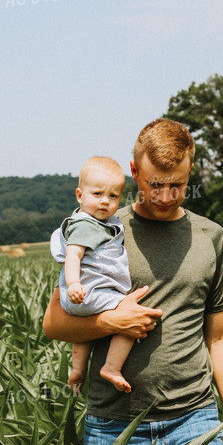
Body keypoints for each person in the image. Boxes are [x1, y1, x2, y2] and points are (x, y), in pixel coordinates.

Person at [43, 117, 223, 445]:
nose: (165, 195)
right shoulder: (103, 230)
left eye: (176, 184)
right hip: (113, 423)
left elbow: (221, 336)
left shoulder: (210, 236)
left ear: (190, 174)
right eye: (154, 183)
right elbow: (54, 322)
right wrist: (110, 320)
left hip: (193, 419)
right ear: (134, 172)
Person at [50, 156, 135, 394]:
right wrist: (74, 283)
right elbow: (73, 255)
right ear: (79, 195)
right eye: (97, 194)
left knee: (85, 332)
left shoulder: (102, 223)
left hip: (83, 299)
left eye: (113, 196)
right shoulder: (85, 225)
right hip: (84, 292)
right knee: (129, 317)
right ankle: (111, 366)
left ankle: (78, 368)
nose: (105, 202)